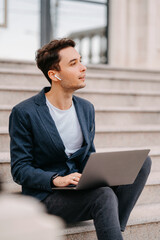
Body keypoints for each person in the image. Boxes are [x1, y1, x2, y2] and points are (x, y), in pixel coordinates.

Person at [9, 38, 151, 240]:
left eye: (80, 61)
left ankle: (113, 226)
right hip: (48, 195)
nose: (83, 68)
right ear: (54, 74)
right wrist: (56, 180)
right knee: (104, 195)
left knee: (141, 163)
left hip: (78, 185)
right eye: (73, 64)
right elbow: (20, 169)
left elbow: (87, 155)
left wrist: (100, 171)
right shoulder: (25, 112)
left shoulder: (86, 108)